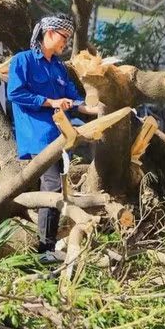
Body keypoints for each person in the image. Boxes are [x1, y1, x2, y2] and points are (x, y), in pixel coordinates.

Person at [7, 14, 97, 260]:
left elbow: (73, 97)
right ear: (48, 33)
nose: (65, 43)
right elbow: (15, 93)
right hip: (38, 135)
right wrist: (51, 102)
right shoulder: (23, 60)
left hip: (61, 135)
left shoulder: (58, 67)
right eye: (63, 37)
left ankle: (49, 245)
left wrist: (93, 109)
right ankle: (45, 249)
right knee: (52, 184)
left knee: (57, 186)